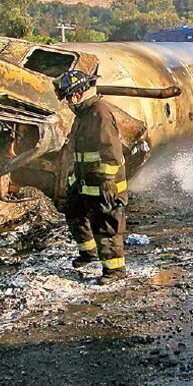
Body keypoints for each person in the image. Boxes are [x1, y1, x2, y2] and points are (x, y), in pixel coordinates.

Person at [54, 69, 128, 285]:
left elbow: (111, 154)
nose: (69, 102)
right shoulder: (84, 114)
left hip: (105, 184)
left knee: (106, 224)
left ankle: (114, 270)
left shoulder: (100, 113)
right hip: (86, 181)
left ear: (79, 93)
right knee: (75, 213)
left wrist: (106, 184)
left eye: (70, 96)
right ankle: (89, 253)